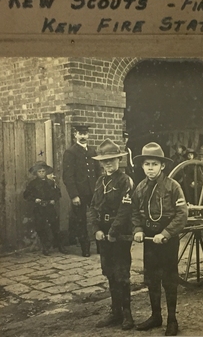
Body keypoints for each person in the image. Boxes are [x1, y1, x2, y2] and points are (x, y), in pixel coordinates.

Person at [132, 142, 188, 336]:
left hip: (167, 239)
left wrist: (165, 234)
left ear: (162, 166)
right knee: (151, 278)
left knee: (169, 279)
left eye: (154, 164)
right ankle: (156, 316)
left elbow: (182, 214)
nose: (150, 168)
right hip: (149, 239)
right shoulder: (139, 188)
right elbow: (135, 213)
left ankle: (172, 320)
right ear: (142, 166)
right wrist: (138, 229)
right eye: (147, 164)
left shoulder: (173, 187)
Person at [88, 139, 135, 330]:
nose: (109, 164)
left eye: (112, 160)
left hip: (120, 233)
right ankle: (115, 312)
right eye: (105, 161)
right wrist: (96, 230)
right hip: (104, 233)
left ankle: (127, 315)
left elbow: (125, 209)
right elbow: (92, 207)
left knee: (122, 273)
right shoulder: (100, 181)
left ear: (119, 160)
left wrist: (113, 232)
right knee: (109, 272)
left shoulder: (125, 181)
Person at [62, 124, 101, 257]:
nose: (83, 136)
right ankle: (85, 248)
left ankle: (101, 246)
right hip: (80, 193)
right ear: (75, 135)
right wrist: (74, 195)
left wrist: (99, 189)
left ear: (88, 135)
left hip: (94, 191)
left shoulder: (92, 151)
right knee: (81, 220)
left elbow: (98, 172)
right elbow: (68, 176)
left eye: (85, 134)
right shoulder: (70, 152)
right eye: (80, 134)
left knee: (99, 216)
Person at [23, 161, 67, 256]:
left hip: (50, 207)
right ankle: (45, 247)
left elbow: (57, 193)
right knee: (41, 227)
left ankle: (60, 246)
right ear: (36, 173)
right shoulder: (32, 184)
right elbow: (26, 195)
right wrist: (35, 199)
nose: (42, 173)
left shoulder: (51, 183)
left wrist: (54, 200)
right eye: (39, 171)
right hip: (39, 208)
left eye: (43, 171)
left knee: (55, 226)